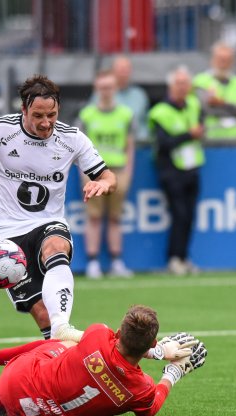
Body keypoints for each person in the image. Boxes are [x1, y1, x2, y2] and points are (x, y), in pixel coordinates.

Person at [0, 74, 117, 342]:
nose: (46, 122)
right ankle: (60, 357)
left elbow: (107, 175)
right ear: (23, 110)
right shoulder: (0, 130)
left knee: (56, 247)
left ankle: (63, 325)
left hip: (48, 223)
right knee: (42, 318)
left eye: (52, 114)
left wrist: (103, 185)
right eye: (38, 115)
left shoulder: (72, 139)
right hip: (6, 234)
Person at [0, 305, 208, 416]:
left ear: (120, 332)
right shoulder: (140, 389)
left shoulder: (98, 336)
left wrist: (160, 350)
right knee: (25, 399)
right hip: (36, 414)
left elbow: (69, 334)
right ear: (147, 345)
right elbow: (151, 407)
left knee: (55, 345)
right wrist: (173, 370)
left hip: (16, 379)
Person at [78, 70, 136, 279]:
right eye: (102, 87)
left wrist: (129, 170)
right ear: (97, 88)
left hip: (118, 170)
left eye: (109, 87)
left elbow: (129, 146)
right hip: (94, 172)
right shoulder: (87, 115)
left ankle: (116, 261)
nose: (106, 91)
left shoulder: (126, 114)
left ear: (115, 88)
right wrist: (84, 173)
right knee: (93, 217)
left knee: (115, 218)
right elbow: (79, 147)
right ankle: (93, 262)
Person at [148, 66, 205, 276]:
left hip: (192, 167)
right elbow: (164, 143)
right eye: (178, 83)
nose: (182, 88)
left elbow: (201, 125)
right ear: (171, 86)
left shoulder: (194, 105)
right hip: (171, 170)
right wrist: (189, 135)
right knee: (179, 214)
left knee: (189, 215)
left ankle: (183, 257)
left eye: (185, 83)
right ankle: (174, 258)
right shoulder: (159, 111)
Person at [192, 43, 236, 140]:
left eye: (227, 60)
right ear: (212, 60)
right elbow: (204, 109)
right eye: (220, 59)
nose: (223, 63)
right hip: (211, 140)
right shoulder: (200, 81)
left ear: (232, 61)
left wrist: (222, 104)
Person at [92, 56, 150, 141]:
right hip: (109, 142)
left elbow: (144, 121)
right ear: (112, 71)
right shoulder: (100, 93)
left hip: (139, 144)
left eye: (126, 69)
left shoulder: (140, 95)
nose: (124, 73)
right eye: (120, 69)